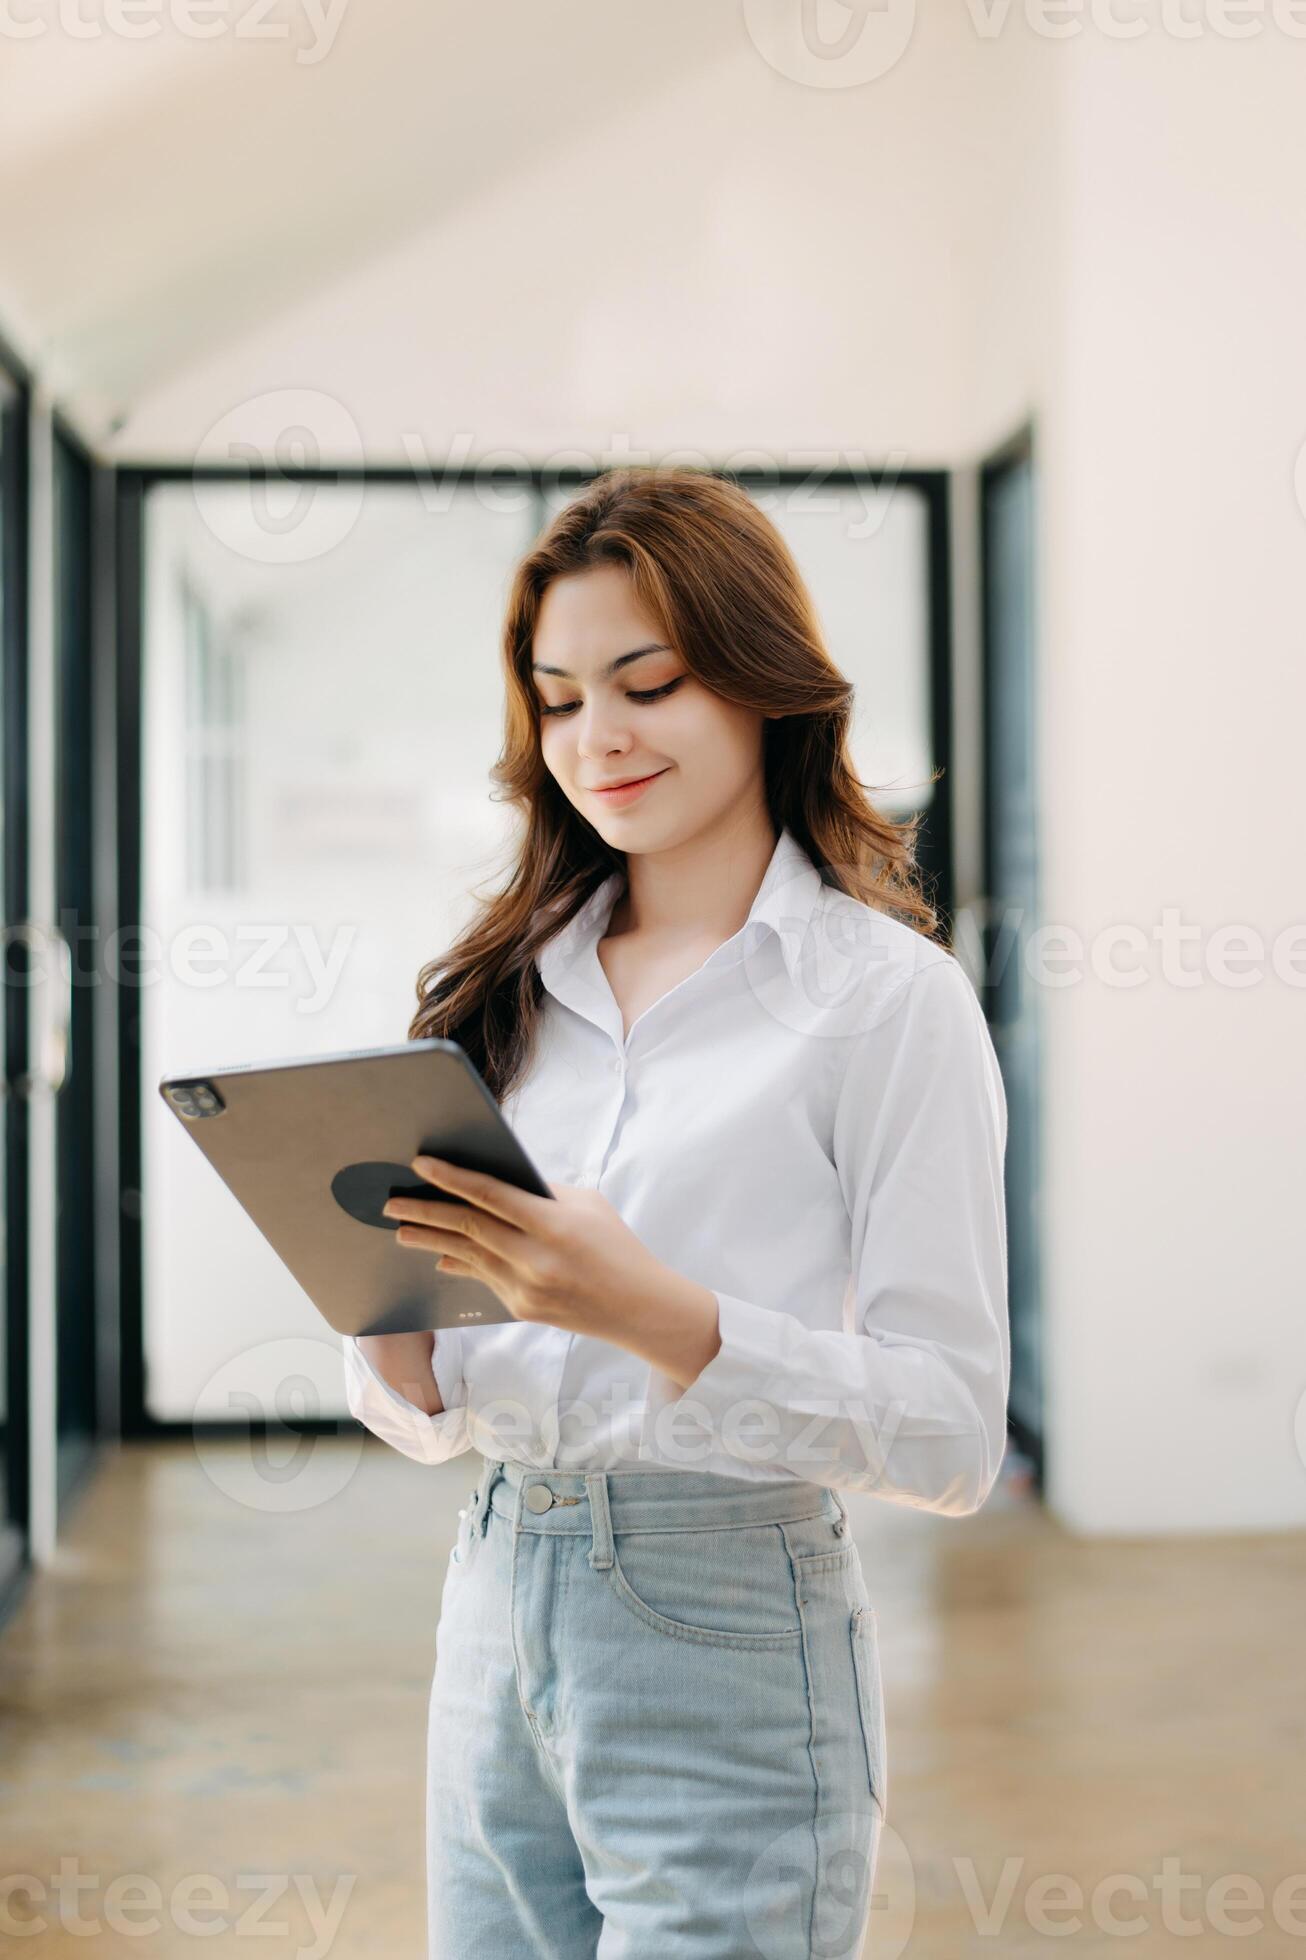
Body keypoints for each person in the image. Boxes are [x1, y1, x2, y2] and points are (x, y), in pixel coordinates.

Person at [342, 465, 1010, 1960]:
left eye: (647, 682)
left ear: (765, 685)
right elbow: (435, 1404)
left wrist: (643, 1308)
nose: (600, 738)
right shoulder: (498, 994)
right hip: (495, 1588)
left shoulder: (883, 1004)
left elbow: (954, 1434)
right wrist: (387, 1320)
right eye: (560, 698)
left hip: (728, 1609)